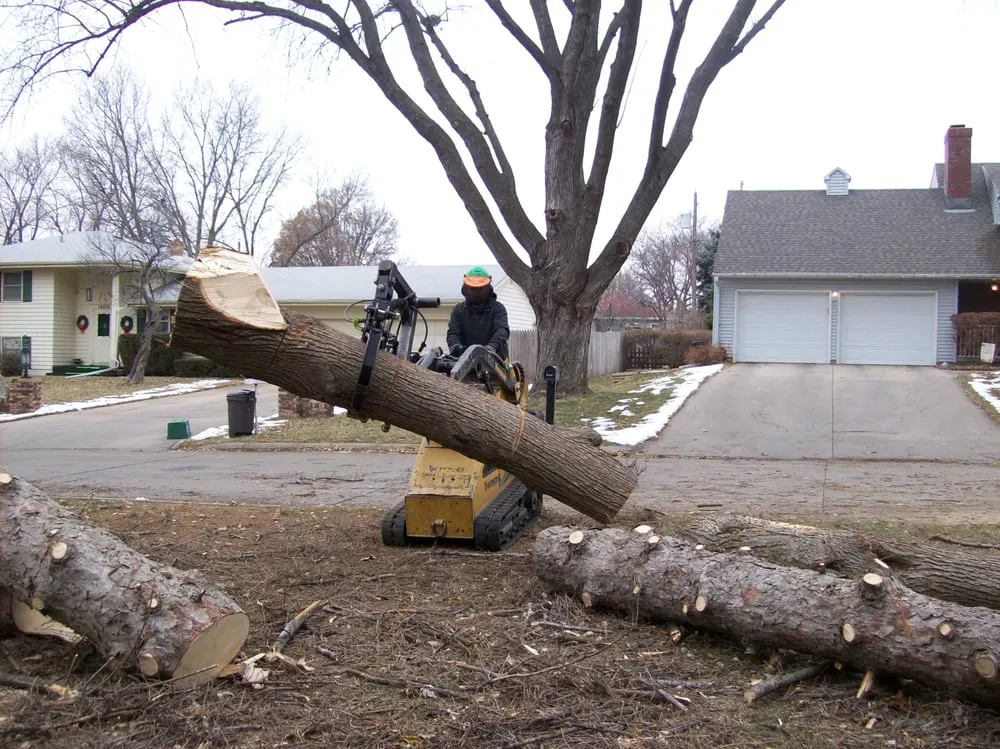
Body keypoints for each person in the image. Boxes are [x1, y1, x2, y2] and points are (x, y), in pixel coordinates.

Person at [446, 266, 510, 361]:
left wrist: (491, 347)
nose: (476, 293)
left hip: (495, 361)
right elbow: (453, 333)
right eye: (473, 289)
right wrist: (456, 347)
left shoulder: (498, 309)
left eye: (480, 289)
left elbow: (501, 331)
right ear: (466, 288)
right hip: (463, 359)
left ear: (487, 288)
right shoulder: (459, 310)